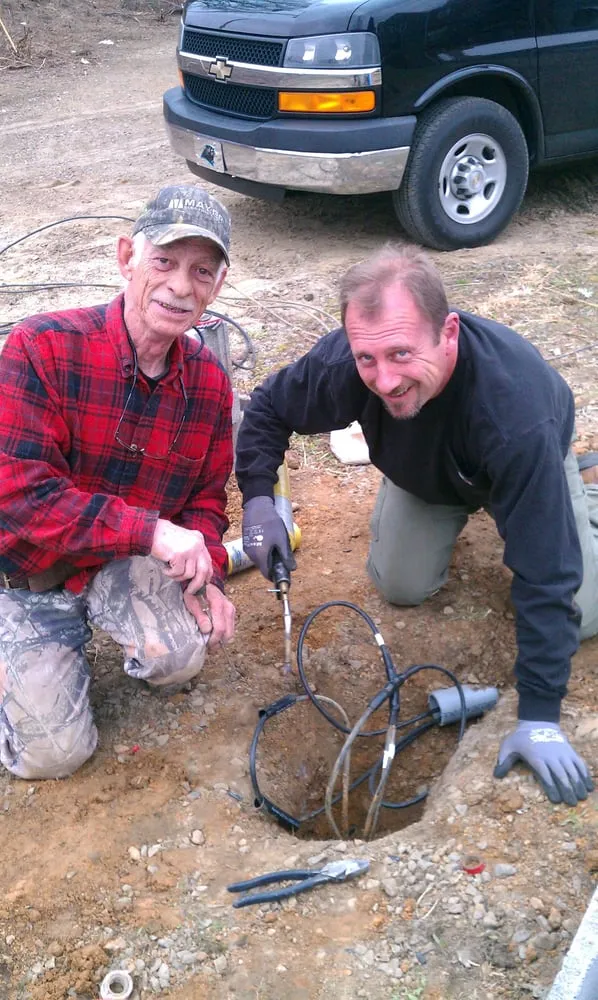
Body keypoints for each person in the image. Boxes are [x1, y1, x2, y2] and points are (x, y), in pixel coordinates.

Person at [236, 246, 597, 808]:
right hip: (425, 473)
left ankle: (580, 487)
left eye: (401, 353)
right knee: (401, 585)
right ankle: (439, 486)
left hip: (513, 466)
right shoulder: (348, 366)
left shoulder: (514, 416)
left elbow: (546, 575)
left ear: (447, 332)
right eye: (368, 359)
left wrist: (541, 716)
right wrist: (260, 500)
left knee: (585, 613)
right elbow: (266, 410)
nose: (384, 378)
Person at [0, 184, 236, 781]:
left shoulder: (208, 383)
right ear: (127, 256)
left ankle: (92, 633)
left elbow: (206, 500)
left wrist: (208, 567)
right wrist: (151, 530)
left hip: (116, 563)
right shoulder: (41, 348)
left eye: (201, 271)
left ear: (218, 285)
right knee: (53, 756)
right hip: (26, 577)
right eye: (165, 262)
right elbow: (20, 498)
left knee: (182, 656)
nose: (182, 286)